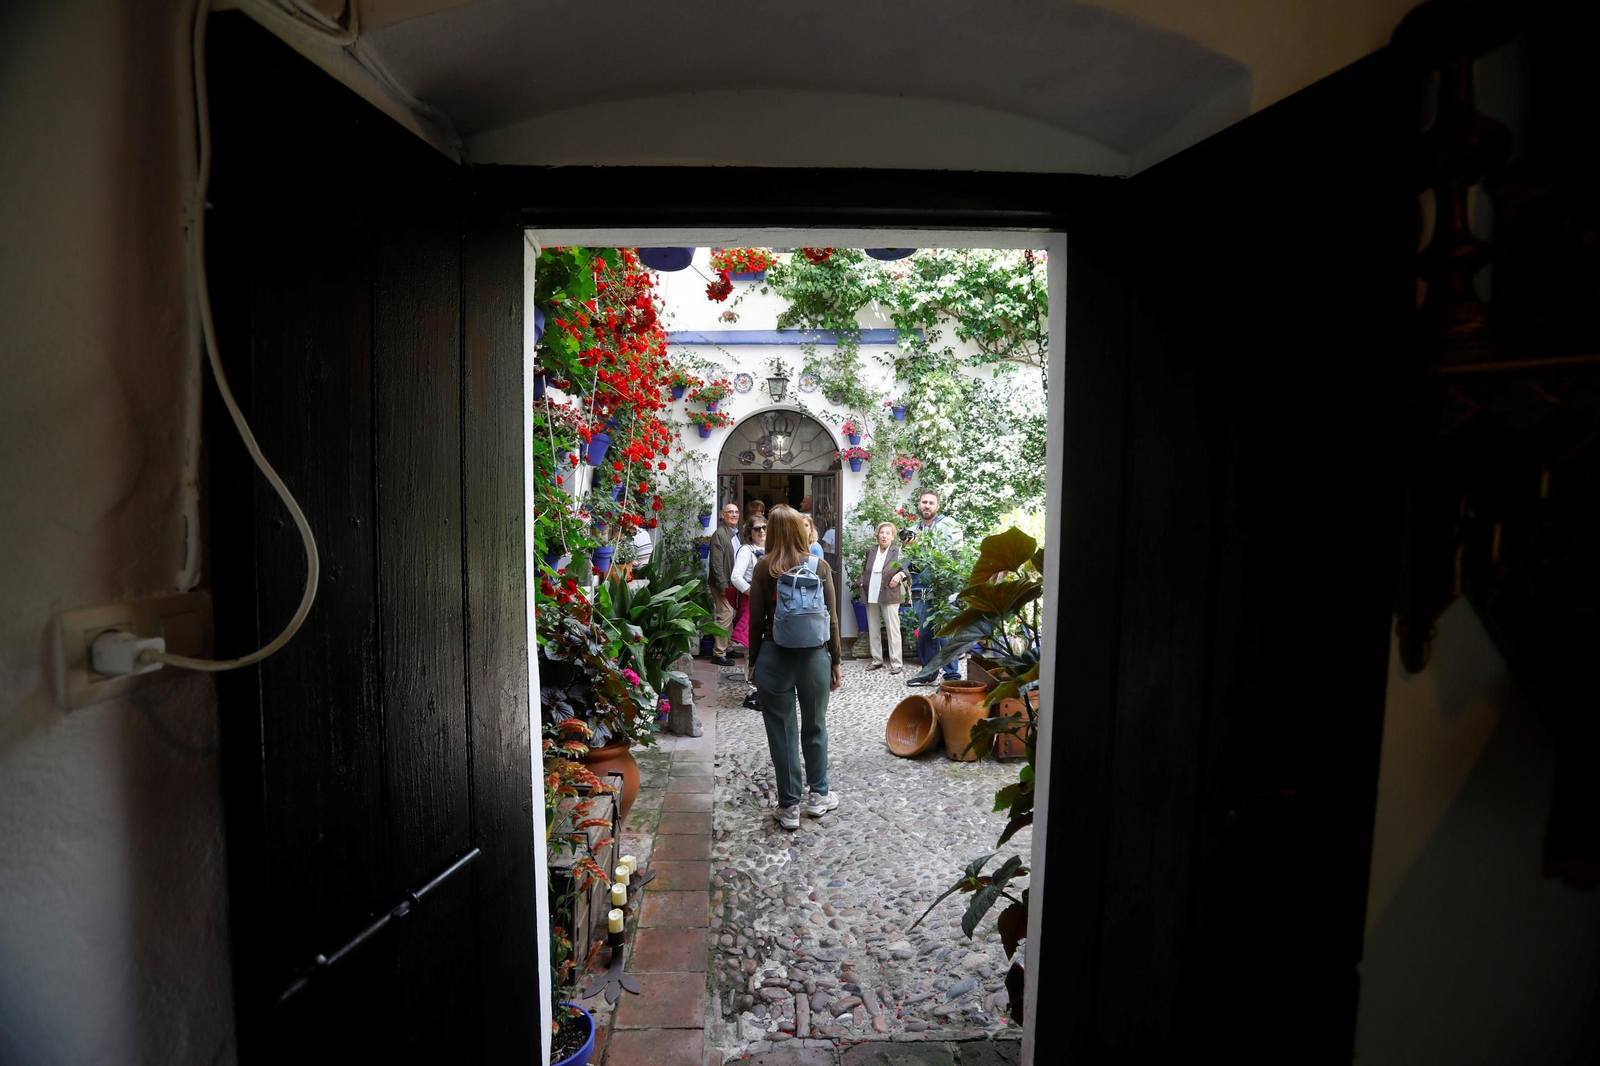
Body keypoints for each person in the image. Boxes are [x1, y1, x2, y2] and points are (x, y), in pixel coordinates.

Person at [747, 505, 843, 830]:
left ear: (771, 531)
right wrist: (837, 660)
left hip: (774, 657)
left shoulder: (763, 568)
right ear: (802, 531)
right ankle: (818, 796)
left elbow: (757, 620)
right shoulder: (820, 566)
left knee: (781, 732)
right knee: (815, 726)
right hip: (815, 657)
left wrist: (753, 660)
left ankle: (789, 808)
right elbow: (832, 618)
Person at [904, 489, 963, 685]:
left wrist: (926, 545)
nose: (927, 506)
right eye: (924, 502)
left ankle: (952, 675)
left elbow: (957, 553)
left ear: (937, 506)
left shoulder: (949, 525)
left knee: (945, 631)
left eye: (930, 502)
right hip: (920, 588)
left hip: (944, 585)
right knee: (926, 632)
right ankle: (927, 674)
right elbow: (903, 562)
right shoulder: (912, 529)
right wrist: (908, 549)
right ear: (919, 505)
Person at [730, 516, 768, 710]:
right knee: (753, 646)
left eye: (764, 527)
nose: (761, 531)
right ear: (750, 532)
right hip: (751, 600)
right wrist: (753, 592)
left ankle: (765, 686)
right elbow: (735, 577)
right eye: (757, 529)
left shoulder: (773, 546)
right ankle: (753, 688)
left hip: (768, 602)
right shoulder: (746, 550)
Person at [858, 521, 905, 673]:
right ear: (877, 535)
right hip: (871, 590)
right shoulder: (870, 550)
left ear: (893, 537)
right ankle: (877, 659)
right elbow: (866, 569)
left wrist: (900, 574)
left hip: (889, 591)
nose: (884, 536)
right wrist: (860, 583)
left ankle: (896, 662)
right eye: (882, 532)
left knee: (893, 628)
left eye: (888, 533)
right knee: (873, 626)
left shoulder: (898, 551)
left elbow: (908, 568)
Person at [708, 501, 743, 666]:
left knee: (731, 615)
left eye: (736, 512)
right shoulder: (720, 534)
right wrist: (722, 585)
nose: (734, 515)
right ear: (723, 515)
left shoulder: (733, 533)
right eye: (730, 512)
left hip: (731, 583)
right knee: (725, 616)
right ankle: (718, 653)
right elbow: (716, 563)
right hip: (723, 584)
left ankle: (727, 648)